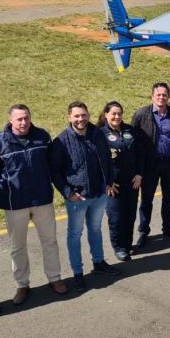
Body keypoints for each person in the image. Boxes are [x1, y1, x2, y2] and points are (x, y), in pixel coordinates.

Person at [0, 104, 67, 306]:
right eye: (19, 119)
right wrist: (8, 188)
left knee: (49, 241)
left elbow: (51, 163)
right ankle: (22, 285)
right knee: (17, 246)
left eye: (26, 118)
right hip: (15, 204)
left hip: (42, 200)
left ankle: (54, 278)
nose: (23, 122)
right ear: (11, 120)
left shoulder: (42, 136)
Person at [50, 101, 120, 292]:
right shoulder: (61, 141)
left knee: (96, 229)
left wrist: (109, 181)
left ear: (88, 115)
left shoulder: (97, 134)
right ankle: (78, 272)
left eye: (84, 115)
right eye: (76, 116)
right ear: (69, 117)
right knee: (74, 235)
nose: (81, 119)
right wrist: (68, 193)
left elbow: (106, 158)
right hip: (77, 198)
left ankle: (98, 263)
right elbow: (55, 172)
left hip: (99, 194)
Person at [132, 82, 170, 246]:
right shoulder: (141, 114)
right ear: (152, 96)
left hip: (169, 163)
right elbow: (133, 139)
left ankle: (168, 229)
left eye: (164, 94)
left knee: (169, 198)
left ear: (168, 97)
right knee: (146, 199)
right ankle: (143, 231)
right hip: (149, 165)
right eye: (158, 94)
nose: (161, 97)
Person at [99, 101, 144, 262]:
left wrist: (139, 174)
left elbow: (140, 154)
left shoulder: (130, 130)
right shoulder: (100, 134)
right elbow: (98, 162)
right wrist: (106, 182)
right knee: (116, 218)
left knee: (130, 215)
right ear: (106, 115)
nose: (117, 117)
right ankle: (118, 248)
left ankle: (127, 244)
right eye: (113, 114)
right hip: (114, 186)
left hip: (132, 182)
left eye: (119, 114)